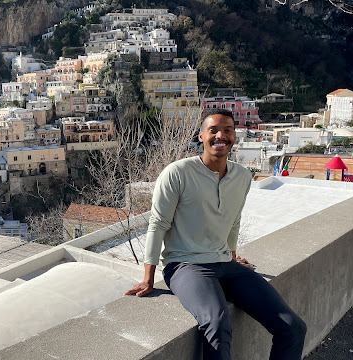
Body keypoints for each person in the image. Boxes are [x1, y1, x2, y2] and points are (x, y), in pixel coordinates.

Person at [125, 109, 306, 359]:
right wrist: (148, 277)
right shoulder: (177, 173)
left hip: (226, 264)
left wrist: (232, 254)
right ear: (201, 136)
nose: (221, 135)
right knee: (217, 325)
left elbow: (233, 221)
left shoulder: (242, 176)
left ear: (235, 137)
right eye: (213, 130)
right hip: (185, 266)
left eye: (228, 130)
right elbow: (157, 225)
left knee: (293, 328)